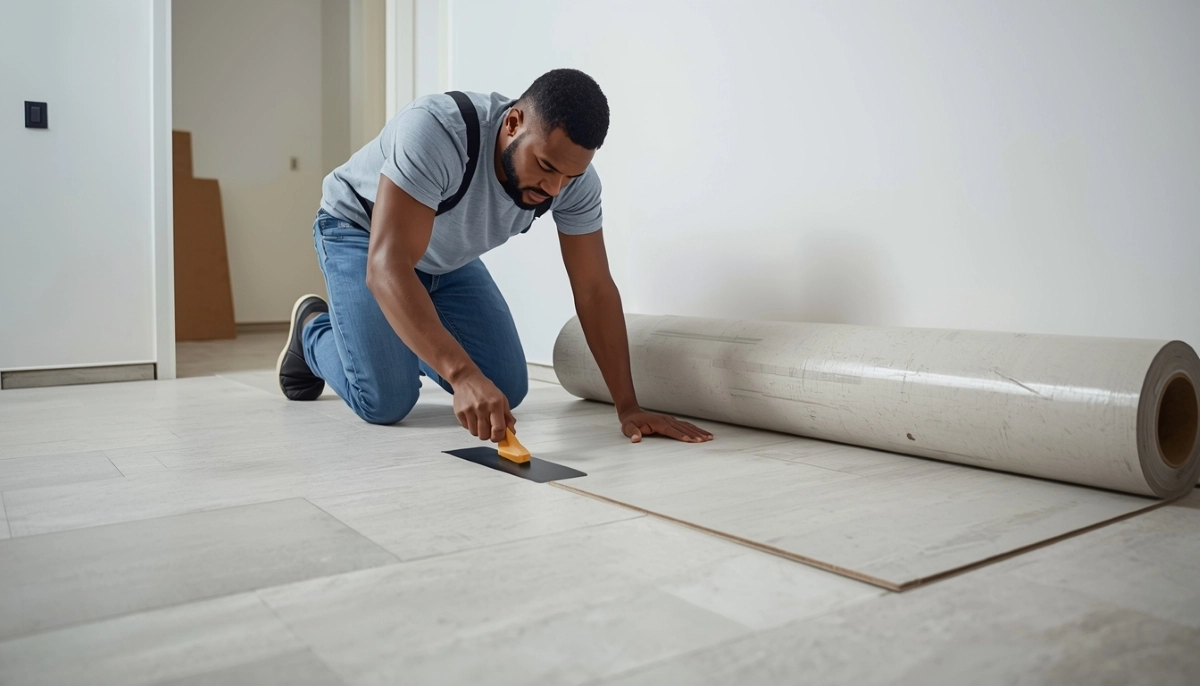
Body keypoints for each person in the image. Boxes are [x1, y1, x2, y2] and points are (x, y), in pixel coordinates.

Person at [277, 68, 712, 446]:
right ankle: (314, 329)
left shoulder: (573, 182)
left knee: (504, 386)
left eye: (570, 174)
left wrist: (628, 406)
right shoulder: (437, 131)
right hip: (362, 233)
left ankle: (395, 336)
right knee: (386, 400)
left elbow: (595, 289)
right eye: (545, 166)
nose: (555, 187)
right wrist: (462, 375)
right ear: (514, 122)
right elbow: (387, 265)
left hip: (446, 257)